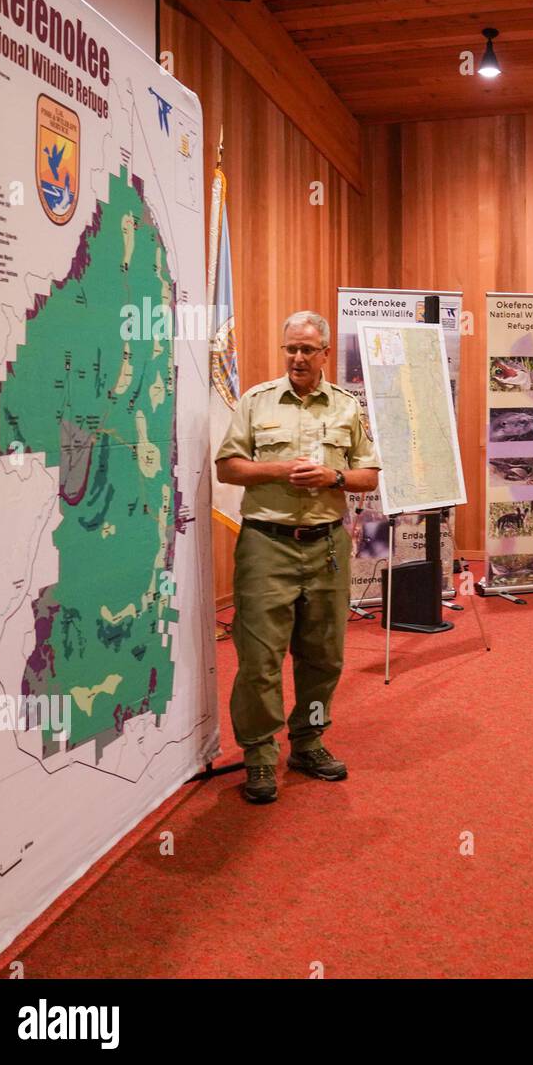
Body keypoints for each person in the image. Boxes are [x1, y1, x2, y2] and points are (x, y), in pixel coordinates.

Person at [215, 311, 381, 803]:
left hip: (327, 546)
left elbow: (368, 476)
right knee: (259, 658)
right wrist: (278, 470)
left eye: (308, 349)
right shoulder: (256, 401)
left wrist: (332, 478)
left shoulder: (348, 408)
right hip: (267, 543)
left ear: (326, 353)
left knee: (323, 655)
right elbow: (227, 467)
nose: (298, 358)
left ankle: (308, 741)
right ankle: (260, 755)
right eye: (291, 348)